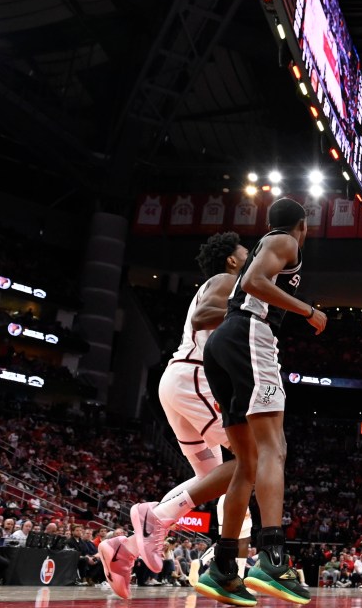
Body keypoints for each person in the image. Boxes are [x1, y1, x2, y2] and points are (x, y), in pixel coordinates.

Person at [107, 232, 255, 601]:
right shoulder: (227, 280)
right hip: (193, 379)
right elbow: (206, 316)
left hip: (183, 382)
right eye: (245, 251)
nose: (251, 254)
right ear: (232, 260)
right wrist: (249, 310)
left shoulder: (231, 285)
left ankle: (123, 549)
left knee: (210, 478)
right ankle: (154, 518)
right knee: (249, 461)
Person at [196, 198, 327, 606]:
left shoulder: (267, 242)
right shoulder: (286, 241)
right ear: (303, 225)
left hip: (222, 343)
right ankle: (272, 556)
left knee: (247, 463)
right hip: (250, 335)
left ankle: (222, 565)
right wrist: (309, 311)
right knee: (274, 448)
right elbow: (253, 282)